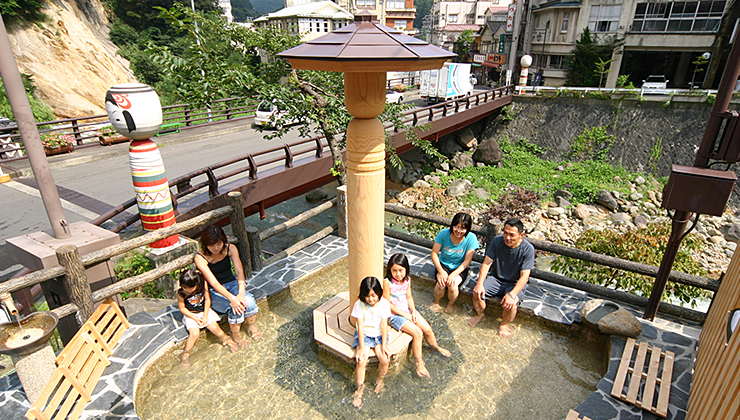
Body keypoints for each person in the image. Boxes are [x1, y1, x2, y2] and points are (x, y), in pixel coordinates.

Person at [383, 253, 451, 378]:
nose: (398, 274)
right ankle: (419, 362)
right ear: (390, 270)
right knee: (418, 333)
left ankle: (436, 347)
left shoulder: (407, 279)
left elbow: (409, 297)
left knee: (427, 329)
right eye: (394, 271)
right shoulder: (387, 283)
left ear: (406, 269)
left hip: (408, 311)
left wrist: (413, 311)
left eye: (401, 270)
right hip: (394, 315)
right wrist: (405, 315)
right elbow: (386, 304)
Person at [194, 225, 261, 348]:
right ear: (205, 244)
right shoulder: (200, 258)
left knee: (249, 301)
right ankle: (235, 334)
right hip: (213, 291)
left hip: (232, 283)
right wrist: (233, 299)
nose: (216, 248)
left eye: (219, 244)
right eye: (212, 245)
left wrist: (241, 293)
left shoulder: (230, 248)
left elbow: (240, 272)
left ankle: (250, 325)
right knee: (234, 307)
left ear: (224, 241)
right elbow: (213, 283)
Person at [467, 218, 535, 338]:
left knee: (511, 304)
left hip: (514, 282)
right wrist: (480, 283)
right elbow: (487, 263)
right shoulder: (497, 241)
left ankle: (504, 323)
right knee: (477, 293)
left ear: (521, 235)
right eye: (505, 233)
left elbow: (525, 276)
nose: (507, 238)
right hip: (496, 278)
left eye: (512, 235)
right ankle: (480, 314)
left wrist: (513, 294)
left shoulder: (527, 249)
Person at [177, 269, 239, 368]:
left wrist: (205, 316)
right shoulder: (181, 293)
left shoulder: (202, 285)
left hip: (204, 311)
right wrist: (195, 318)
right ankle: (186, 353)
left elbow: (207, 300)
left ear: (196, 284)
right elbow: (182, 308)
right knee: (194, 333)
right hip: (191, 314)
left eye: (188, 288)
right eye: (183, 287)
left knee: (214, 327)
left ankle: (227, 340)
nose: (186, 290)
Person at [351, 276, 391, 409]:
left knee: (384, 359)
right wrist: (362, 348)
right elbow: (360, 327)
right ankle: (359, 390)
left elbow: (384, 325)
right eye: (367, 296)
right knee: (361, 360)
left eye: (374, 295)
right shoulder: (359, 305)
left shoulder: (384, 303)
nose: (371, 299)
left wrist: (384, 344)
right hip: (365, 335)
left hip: (379, 335)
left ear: (379, 293)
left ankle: (380, 382)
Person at [430, 212, 479, 313]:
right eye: (456, 227)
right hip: (444, 264)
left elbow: (467, 261)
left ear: (467, 229)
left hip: (460, 267)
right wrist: (441, 271)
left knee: (453, 286)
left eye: (463, 228)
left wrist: (454, 274)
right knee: (441, 283)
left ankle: (451, 303)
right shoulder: (443, 233)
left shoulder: (471, 238)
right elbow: (434, 253)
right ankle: (436, 301)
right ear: (452, 225)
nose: (459, 231)